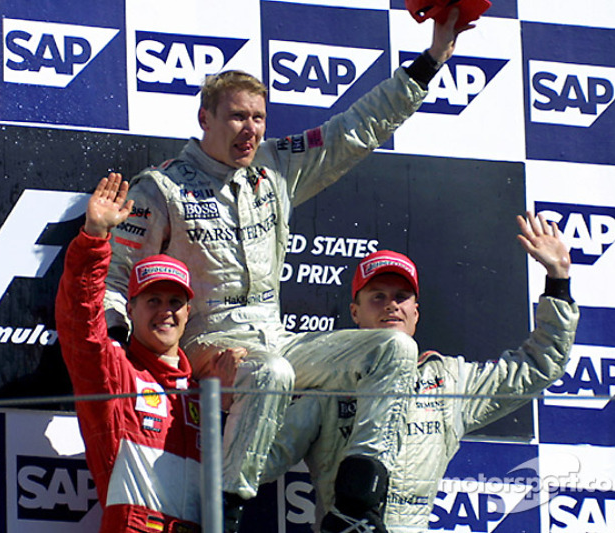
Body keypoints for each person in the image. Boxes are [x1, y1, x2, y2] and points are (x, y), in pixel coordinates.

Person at [102, 9, 472, 530]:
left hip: (275, 339)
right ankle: (225, 512)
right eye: (236, 117)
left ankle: (354, 501)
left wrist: (430, 63)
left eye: (257, 117)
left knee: (396, 348)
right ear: (205, 119)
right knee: (271, 372)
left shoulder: (276, 168)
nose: (249, 130)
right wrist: (123, 352)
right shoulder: (162, 188)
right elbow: (116, 277)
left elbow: (354, 131)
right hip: (207, 346)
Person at [261, 211, 580, 532]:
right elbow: (265, 460)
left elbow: (537, 367)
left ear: (416, 313)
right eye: (378, 297)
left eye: (402, 297)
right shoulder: (327, 384)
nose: (391, 305)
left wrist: (558, 280)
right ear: (355, 313)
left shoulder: (450, 381)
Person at [56, 175, 236, 532]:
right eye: (153, 300)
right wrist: (94, 237)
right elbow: (80, 321)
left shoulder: (205, 391)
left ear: (188, 312)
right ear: (131, 309)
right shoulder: (116, 374)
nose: (165, 311)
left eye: (175, 302)